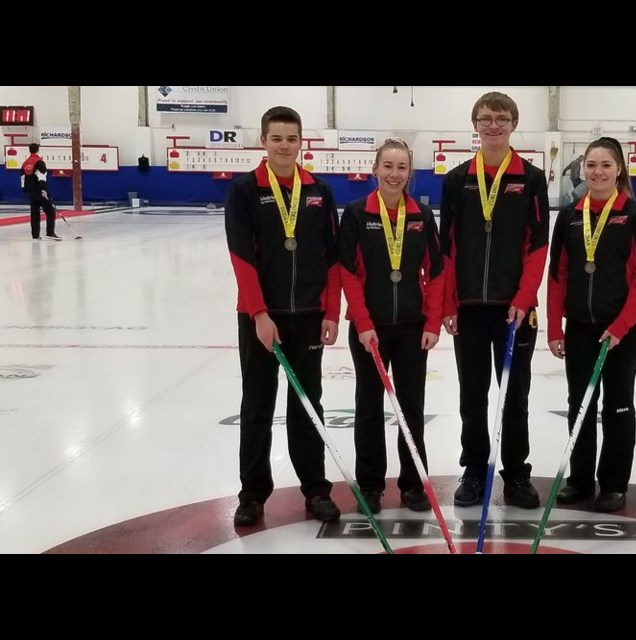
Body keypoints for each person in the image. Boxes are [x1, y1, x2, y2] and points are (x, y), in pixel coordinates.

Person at [224, 106, 342, 527]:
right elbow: (242, 257)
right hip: (261, 319)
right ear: (263, 141)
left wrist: (331, 311)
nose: (285, 146)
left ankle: (315, 489)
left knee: (308, 405)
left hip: (309, 316)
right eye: (277, 138)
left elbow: (332, 258)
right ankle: (253, 494)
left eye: (292, 139)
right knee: (257, 405)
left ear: (301, 143)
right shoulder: (243, 191)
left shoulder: (319, 192)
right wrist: (258, 313)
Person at [439, 91, 550, 509]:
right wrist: (448, 303)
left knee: (514, 395)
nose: (493, 125)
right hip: (468, 308)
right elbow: (445, 246)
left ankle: (517, 474)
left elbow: (538, 245)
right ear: (475, 125)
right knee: (472, 393)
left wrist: (524, 298)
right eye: (485, 118)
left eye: (501, 118)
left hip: (514, 311)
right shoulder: (456, 179)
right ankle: (473, 470)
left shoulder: (532, 179)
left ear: (513, 124)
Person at [546, 136, 636, 513]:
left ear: (619, 169)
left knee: (618, 405)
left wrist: (621, 326)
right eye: (590, 165)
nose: (597, 172)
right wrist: (553, 327)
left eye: (605, 165)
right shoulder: (570, 215)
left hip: (623, 330)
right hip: (580, 326)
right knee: (579, 404)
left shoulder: (635, 215)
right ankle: (579, 480)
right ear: (582, 169)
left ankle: (613, 484)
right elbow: (558, 274)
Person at [339, 137, 444, 515]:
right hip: (370, 330)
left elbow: (437, 272)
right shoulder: (355, 214)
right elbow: (347, 274)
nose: (394, 174)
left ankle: (414, 484)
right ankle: (369, 485)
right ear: (375, 169)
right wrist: (364, 324)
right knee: (368, 407)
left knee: (411, 409)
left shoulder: (420, 217)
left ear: (410, 173)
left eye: (402, 167)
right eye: (388, 166)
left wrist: (432, 322)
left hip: (413, 329)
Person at [20, 143, 61, 241]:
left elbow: (22, 179)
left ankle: (35, 235)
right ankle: (50, 233)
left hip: (31, 192)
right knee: (50, 211)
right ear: (38, 150)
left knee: (34, 213)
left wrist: (26, 190)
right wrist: (44, 190)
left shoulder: (25, 163)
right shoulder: (40, 162)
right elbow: (42, 177)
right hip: (40, 191)